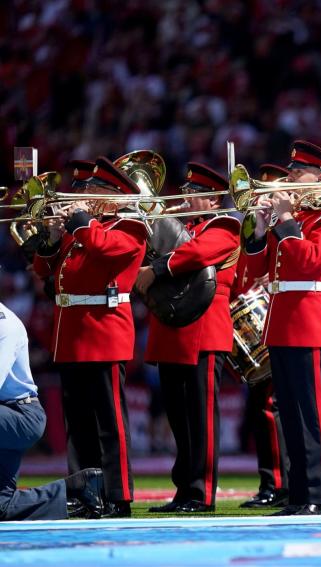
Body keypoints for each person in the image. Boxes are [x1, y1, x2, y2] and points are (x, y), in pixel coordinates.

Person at [32, 156, 149, 518]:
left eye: (92, 189)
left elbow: (107, 250)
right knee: (78, 424)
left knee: (109, 422)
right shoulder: (83, 229)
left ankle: (118, 496)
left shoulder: (130, 226)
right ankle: (84, 493)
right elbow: (44, 271)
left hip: (104, 330)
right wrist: (51, 237)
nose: (81, 195)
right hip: (72, 332)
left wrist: (80, 222)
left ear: (114, 195)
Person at [242, 140, 321, 516]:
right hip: (281, 322)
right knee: (290, 415)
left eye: (296, 173)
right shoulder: (294, 222)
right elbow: (255, 273)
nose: (288, 179)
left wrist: (286, 221)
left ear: (320, 179)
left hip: (306, 320)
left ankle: (317, 495)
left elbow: (310, 264)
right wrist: (259, 230)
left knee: (311, 414)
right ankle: (298, 493)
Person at [137, 163, 241, 513]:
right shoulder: (183, 227)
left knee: (201, 418)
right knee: (179, 418)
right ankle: (184, 489)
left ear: (212, 199)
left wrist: (158, 268)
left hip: (204, 330)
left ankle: (201, 491)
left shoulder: (224, 225)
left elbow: (198, 254)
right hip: (171, 329)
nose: (186, 198)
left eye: (194, 194)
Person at [0, 300, 107, 521]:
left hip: (21, 416)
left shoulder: (5, 325)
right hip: (9, 416)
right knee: (2, 506)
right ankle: (76, 487)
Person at [235, 163, 291, 509]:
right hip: (261, 317)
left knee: (274, 408)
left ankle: (280, 482)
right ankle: (270, 480)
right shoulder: (261, 225)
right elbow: (250, 267)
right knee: (262, 410)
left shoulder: (288, 222)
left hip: (277, 314)